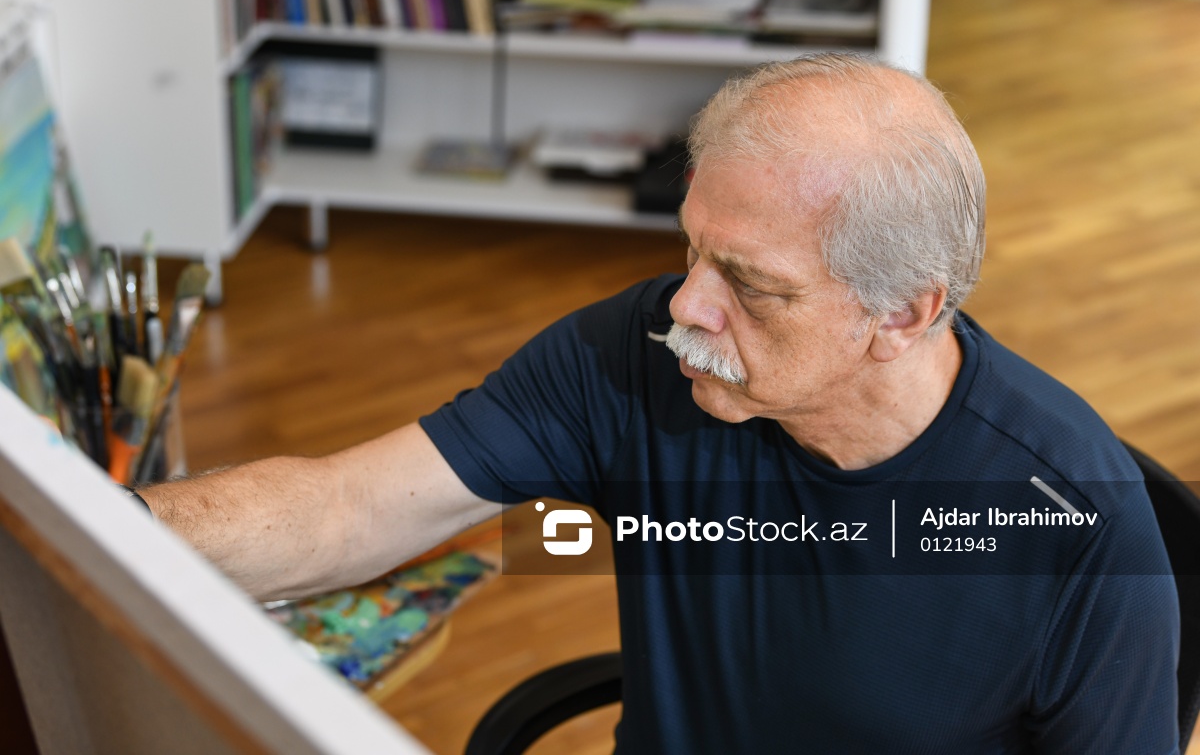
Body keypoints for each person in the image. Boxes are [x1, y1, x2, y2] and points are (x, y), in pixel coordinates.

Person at [140, 54, 1179, 753]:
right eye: (692, 249)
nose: (686, 305)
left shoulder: (1080, 529)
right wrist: (103, 524)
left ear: (902, 314)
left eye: (752, 285)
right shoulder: (638, 354)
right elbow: (346, 510)